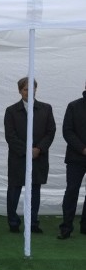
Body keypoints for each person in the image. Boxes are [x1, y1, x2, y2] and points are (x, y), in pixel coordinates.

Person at [4, 77, 56, 234]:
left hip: (38, 158)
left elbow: (50, 131)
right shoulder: (11, 111)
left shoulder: (46, 109)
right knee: (14, 191)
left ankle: (33, 222)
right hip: (18, 158)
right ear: (20, 91)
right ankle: (13, 222)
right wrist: (27, 150)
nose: (29, 92)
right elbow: (10, 136)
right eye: (26, 89)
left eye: (32, 89)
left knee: (34, 191)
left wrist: (38, 149)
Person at [58, 81, 86, 239]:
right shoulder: (74, 106)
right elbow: (67, 131)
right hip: (76, 158)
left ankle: (85, 226)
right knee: (72, 191)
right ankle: (66, 227)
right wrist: (83, 148)